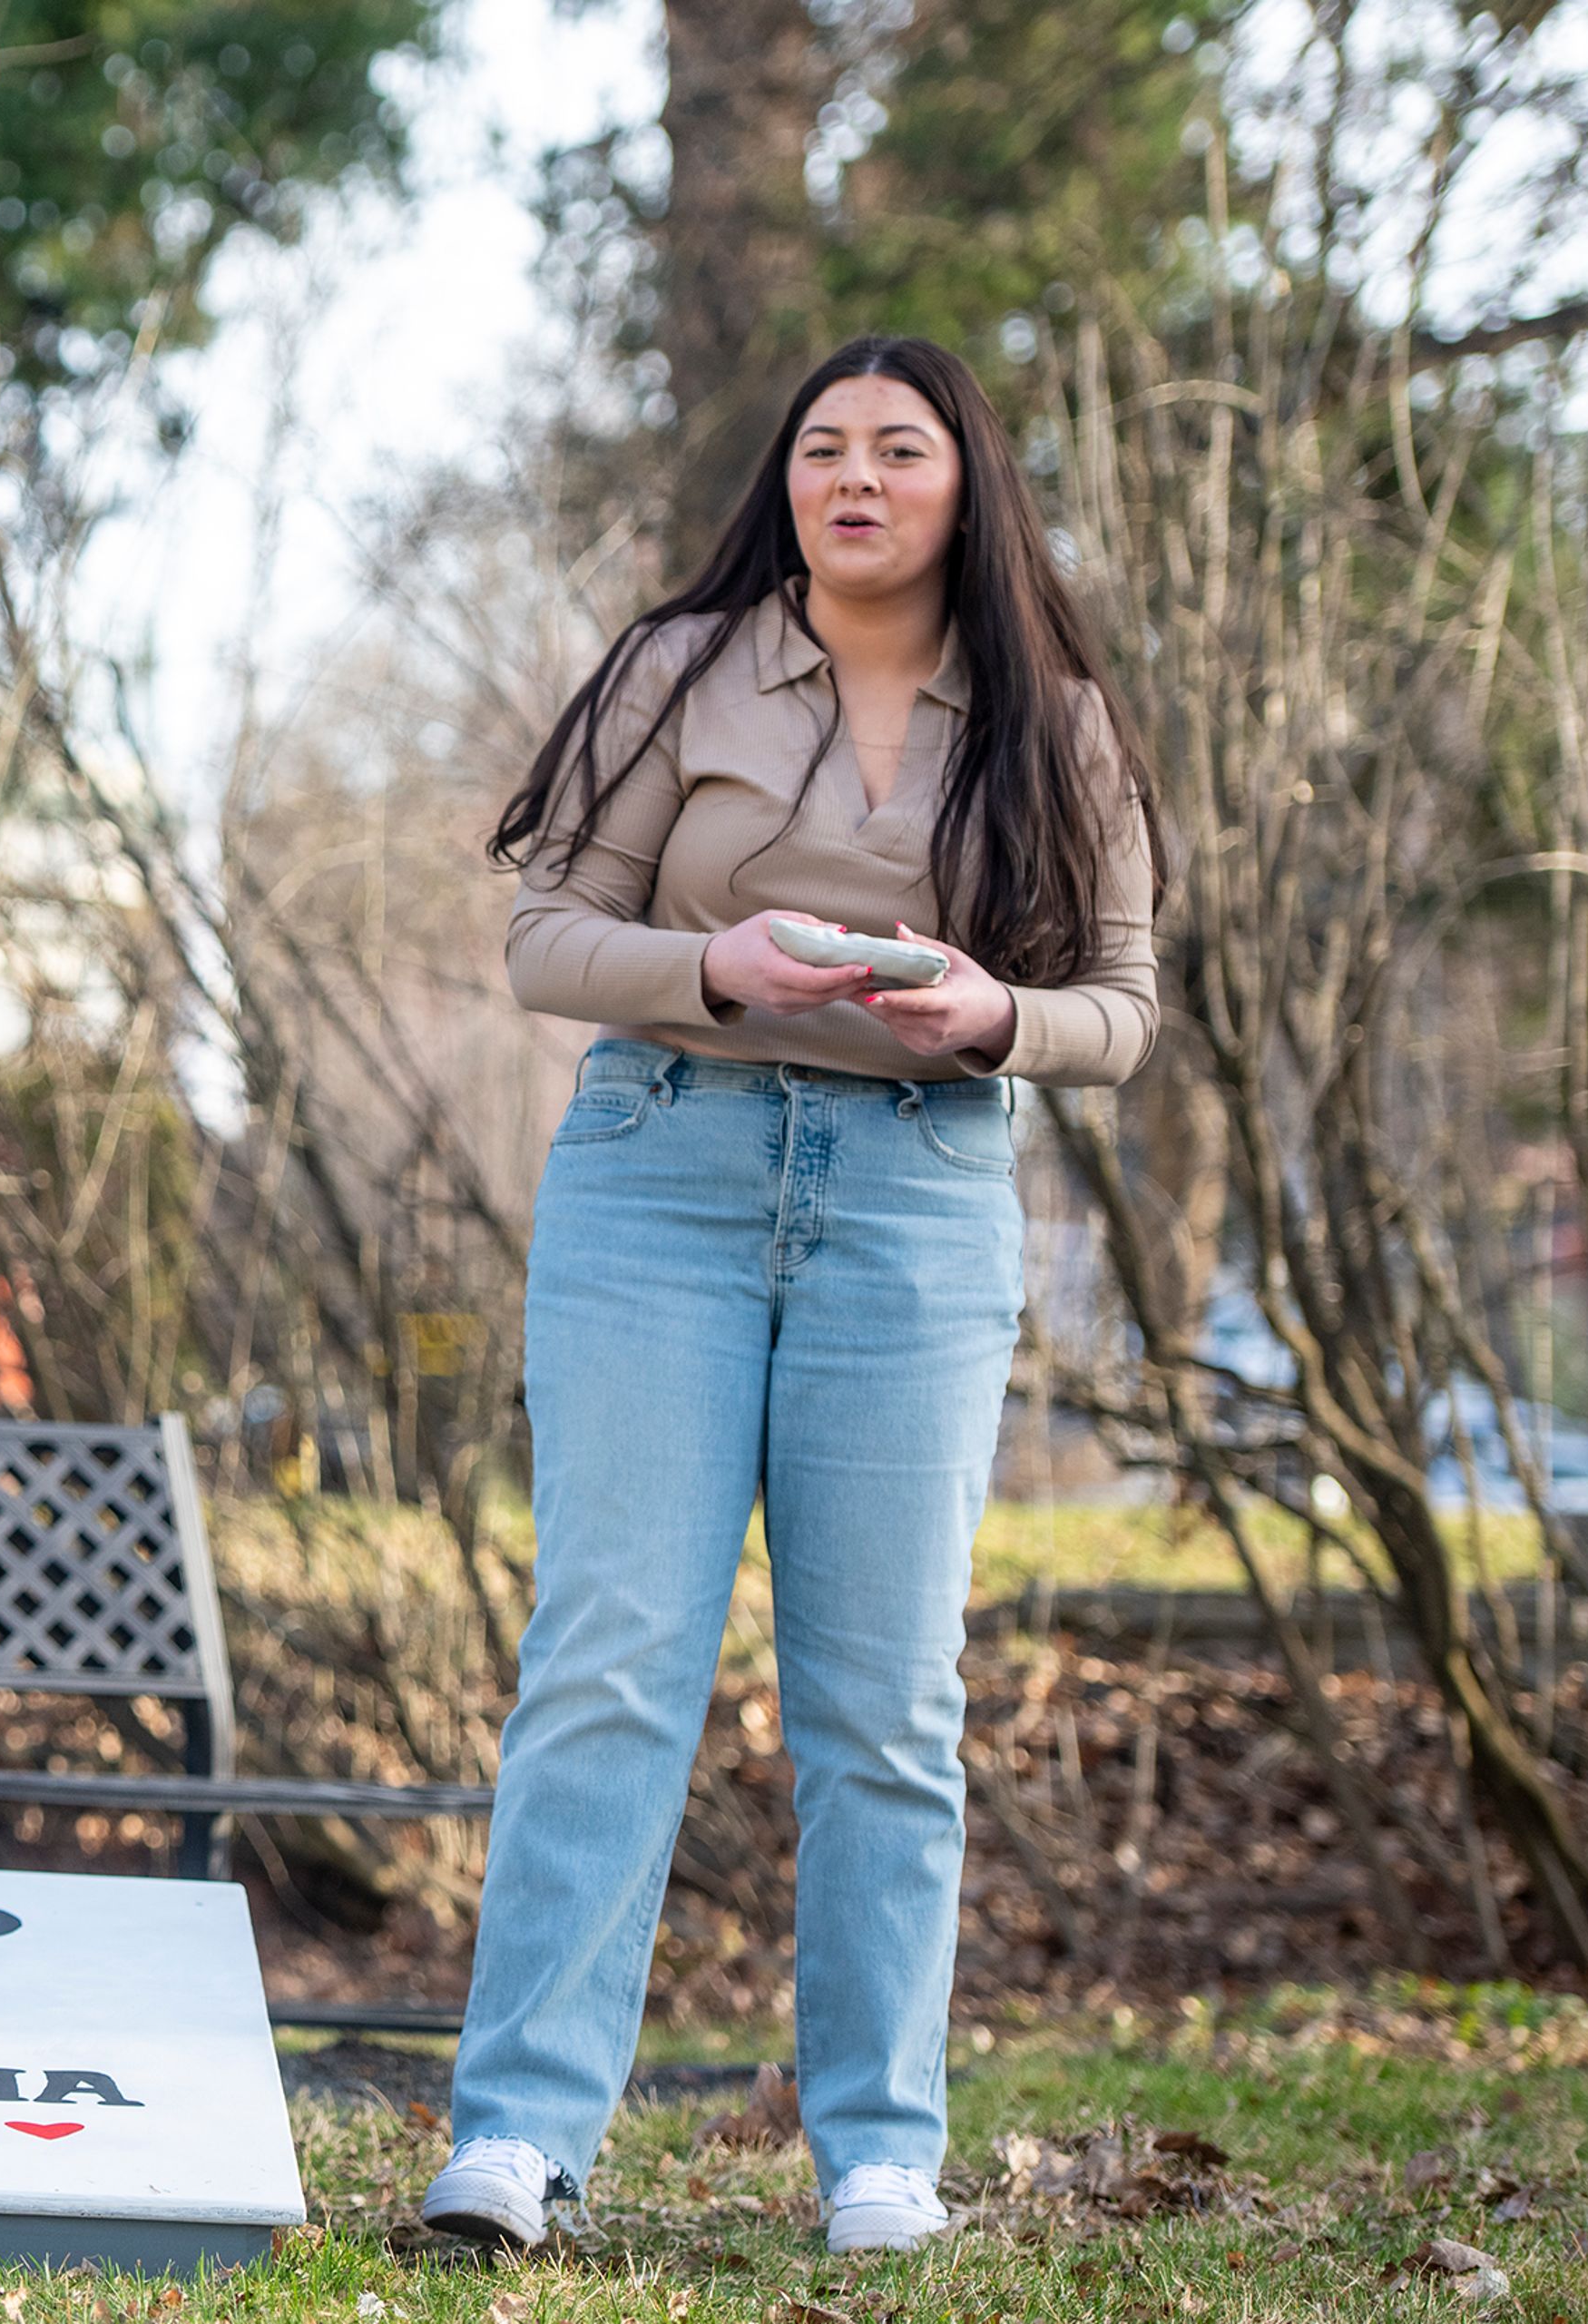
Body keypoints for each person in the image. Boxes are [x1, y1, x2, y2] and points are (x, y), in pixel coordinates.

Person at [420, 338, 1163, 2258]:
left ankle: (881, 2157)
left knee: (884, 1706)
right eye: (821, 446)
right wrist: (718, 966)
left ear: (962, 488)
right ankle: (516, 2138)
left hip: (915, 1207)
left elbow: (1125, 1009)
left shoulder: (1056, 721)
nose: (854, 477)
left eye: (897, 451)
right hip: (661, 1173)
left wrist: (996, 1013)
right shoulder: (679, 668)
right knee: (609, 1663)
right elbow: (541, 939)